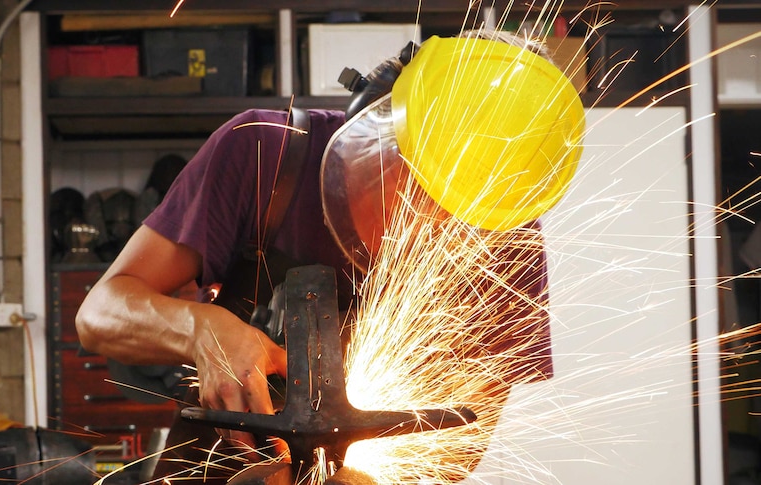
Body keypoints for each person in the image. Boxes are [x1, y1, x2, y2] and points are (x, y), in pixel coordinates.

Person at [75, 28, 584, 483]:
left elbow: (458, 443)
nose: (429, 226)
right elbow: (99, 314)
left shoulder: (507, 239)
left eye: (459, 214)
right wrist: (200, 329)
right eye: (419, 190)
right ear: (379, 120)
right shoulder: (266, 155)